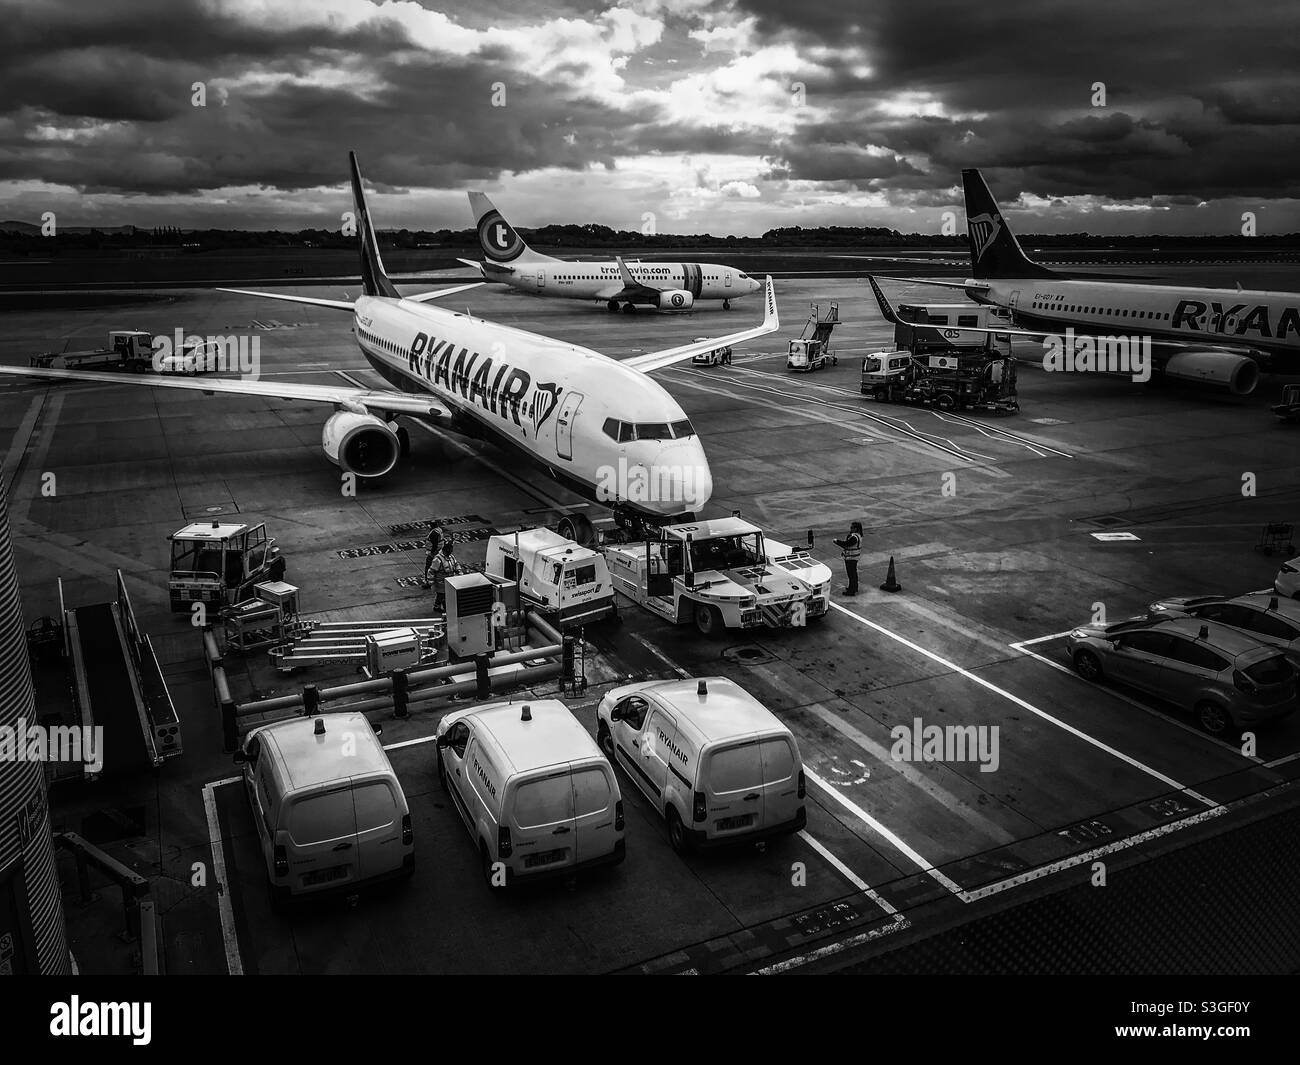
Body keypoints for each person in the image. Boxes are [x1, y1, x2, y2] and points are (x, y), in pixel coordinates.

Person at [428, 540, 462, 612]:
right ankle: (436, 607)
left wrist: (459, 572)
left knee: (448, 595)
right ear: (445, 550)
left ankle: (446, 605)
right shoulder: (438, 559)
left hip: (450, 581)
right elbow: (431, 571)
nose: (450, 552)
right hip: (441, 582)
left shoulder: (451, 557)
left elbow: (456, 564)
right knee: (441, 595)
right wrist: (431, 582)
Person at [832, 521, 863, 595]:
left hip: (851, 558)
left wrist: (837, 541)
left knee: (851, 575)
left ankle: (851, 591)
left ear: (856, 529)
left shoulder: (854, 537)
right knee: (853, 574)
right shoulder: (857, 536)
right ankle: (853, 587)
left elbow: (846, 544)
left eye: (852, 527)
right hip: (853, 557)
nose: (851, 529)